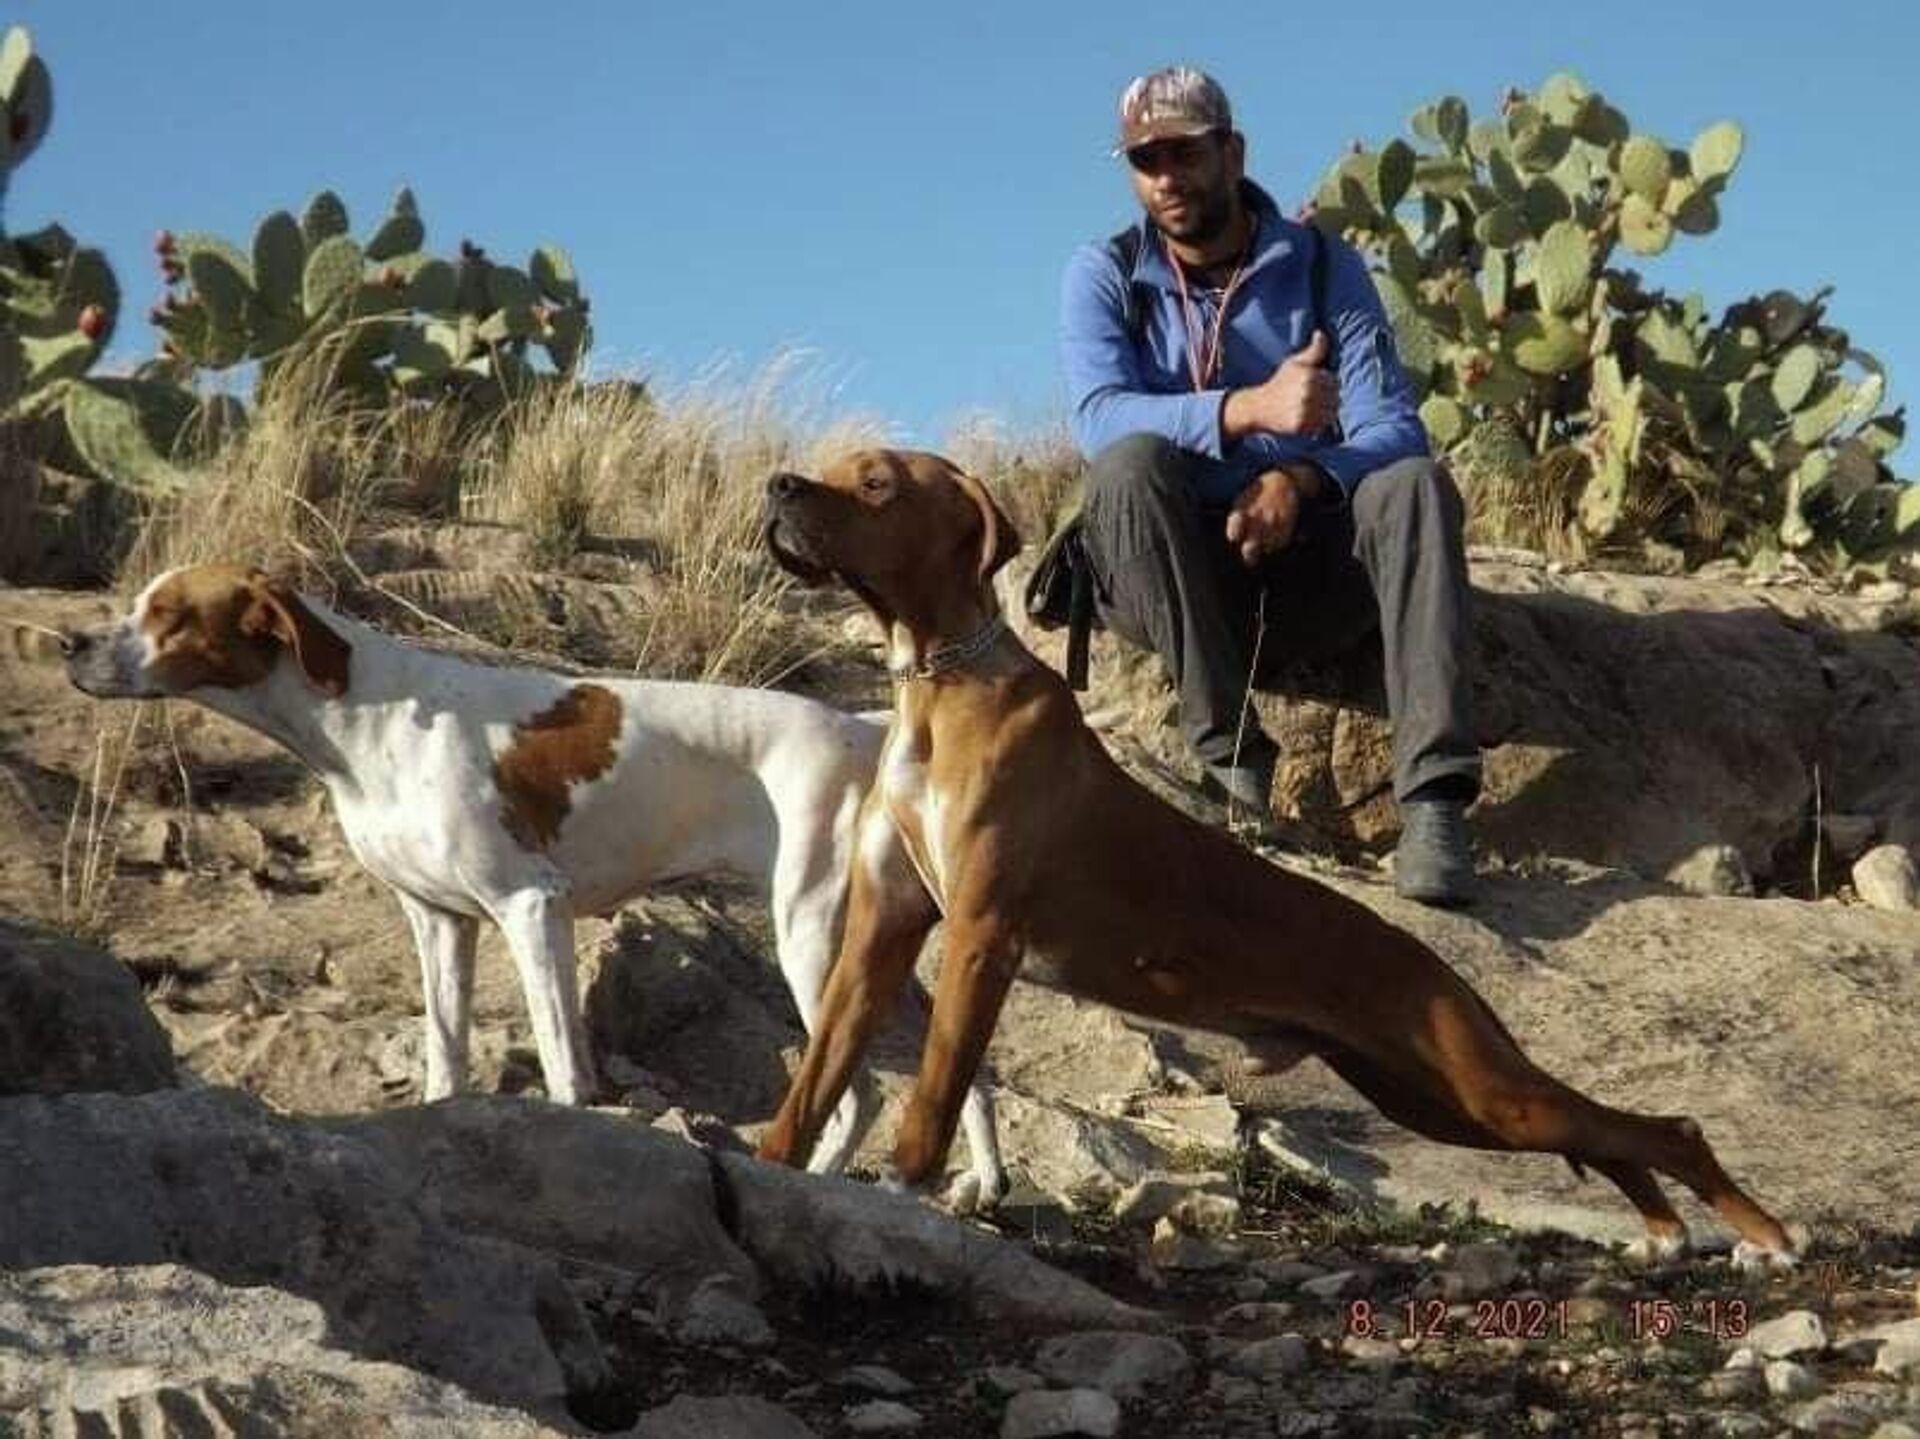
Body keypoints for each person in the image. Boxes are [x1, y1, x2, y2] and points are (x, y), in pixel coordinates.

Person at [1057, 65, 1481, 907]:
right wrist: (1249, 409)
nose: (1167, 178)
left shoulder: (1326, 268)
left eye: (1185, 152)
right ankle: (1231, 763)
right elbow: (1099, 417)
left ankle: (1433, 803)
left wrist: (1302, 477)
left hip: (1309, 574)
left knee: (1415, 485)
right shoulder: (1104, 273)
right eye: (1146, 160)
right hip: (1175, 580)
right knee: (1129, 466)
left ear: (1232, 151)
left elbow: (1393, 427)